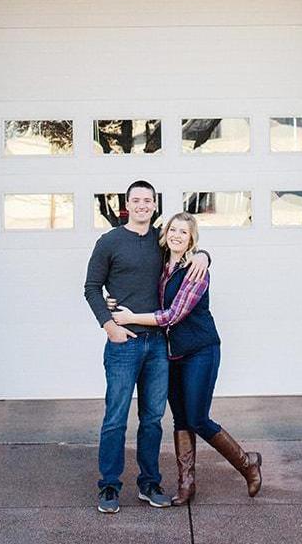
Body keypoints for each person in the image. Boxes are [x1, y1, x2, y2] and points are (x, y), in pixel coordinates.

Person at [111, 211, 263, 504]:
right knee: (180, 419)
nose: (177, 235)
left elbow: (172, 316)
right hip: (170, 354)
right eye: (173, 230)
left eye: (184, 232)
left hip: (200, 351)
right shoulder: (160, 265)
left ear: (192, 238)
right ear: (165, 233)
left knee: (196, 417)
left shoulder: (196, 270)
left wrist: (131, 317)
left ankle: (247, 464)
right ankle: (186, 485)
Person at [83, 180, 210, 514]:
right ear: (127, 204)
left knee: (153, 419)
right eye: (136, 200)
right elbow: (92, 288)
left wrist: (205, 256)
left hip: (158, 346)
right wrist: (110, 327)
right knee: (115, 418)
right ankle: (109, 487)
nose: (142, 205)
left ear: (155, 205)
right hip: (123, 344)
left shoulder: (160, 240)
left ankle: (149, 483)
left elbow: (187, 247)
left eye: (148, 201)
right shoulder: (109, 242)